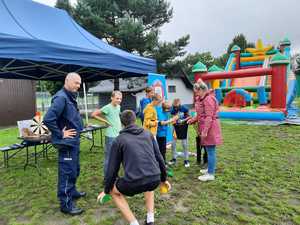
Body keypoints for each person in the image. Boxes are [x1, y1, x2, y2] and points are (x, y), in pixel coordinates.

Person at [97, 110, 171, 225]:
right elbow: (160, 158)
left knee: (113, 190)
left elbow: (112, 170)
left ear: (122, 124)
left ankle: (134, 223)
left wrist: (106, 190)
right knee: (149, 183)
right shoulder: (148, 134)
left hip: (133, 182)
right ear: (135, 120)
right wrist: (163, 179)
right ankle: (150, 219)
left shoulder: (118, 140)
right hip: (154, 179)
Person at [43, 72, 85, 215]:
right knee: (67, 172)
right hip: (66, 143)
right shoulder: (61, 98)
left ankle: (72, 192)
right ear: (67, 81)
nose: (78, 86)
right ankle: (66, 204)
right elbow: (48, 119)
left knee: (75, 169)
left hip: (74, 142)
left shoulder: (69, 97)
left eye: (79, 83)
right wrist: (61, 133)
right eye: (76, 83)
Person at [187, 81, 223, 181]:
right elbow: (199, 115)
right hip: (205, 127)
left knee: (210, 150)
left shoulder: (208, 99)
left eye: (196, 91)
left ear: (202, 90)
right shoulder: (201, 99)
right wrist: (192, 120)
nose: (195, 93)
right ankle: (209, 169)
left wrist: (205, 131)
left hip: (210, 128)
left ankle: (211, 174)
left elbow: (209, 117)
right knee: (208, 149)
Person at [91, 91, 122, 177]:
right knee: (109, 157)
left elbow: (116, 117)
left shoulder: (119, 106)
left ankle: (115, 175)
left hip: (118, 134)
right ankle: (107, 177)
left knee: (117, 157)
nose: (119, 100)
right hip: (110, 136)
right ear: (112, 98)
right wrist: (105, 121)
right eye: (117, 98)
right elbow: (93, 114)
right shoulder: (107, 107)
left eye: (120, 99)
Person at [168, 98, 190, 168]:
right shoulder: (172, 109)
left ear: (179, 104)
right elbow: (171, 117)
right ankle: (174, 158)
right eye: (175, 106)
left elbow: (189, 117)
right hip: (175, 128)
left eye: (177, 106)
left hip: (183, 128)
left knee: (184, 144)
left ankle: (186, 160)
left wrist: (183, 120)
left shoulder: (184, 108)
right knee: (173, 144)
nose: (176, 108)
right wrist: (173, 120)